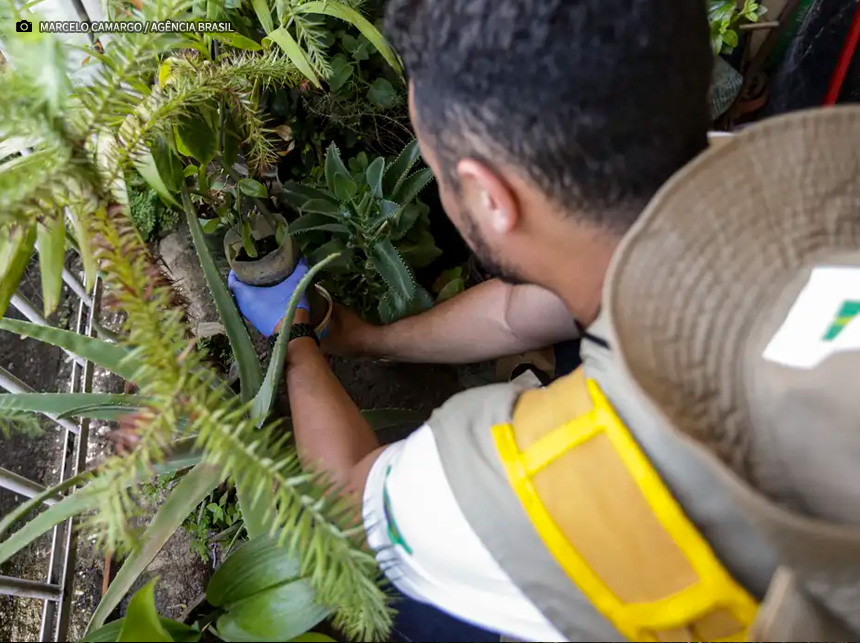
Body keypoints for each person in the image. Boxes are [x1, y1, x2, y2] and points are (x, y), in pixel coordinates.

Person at [224, 0, 826, 639]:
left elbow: (349, 508)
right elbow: (520, 315)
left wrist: (296, 341)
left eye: (435, 167)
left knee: (402, 604)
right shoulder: (763, 174)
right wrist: (368, 339)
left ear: (488, 195)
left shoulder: (547, 479)